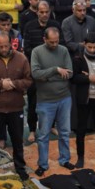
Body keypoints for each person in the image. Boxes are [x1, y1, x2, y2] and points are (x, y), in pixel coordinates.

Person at [0, 33, 33, 180]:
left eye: (6, 45)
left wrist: (12, 84)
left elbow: (28, 81)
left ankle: (20, 167)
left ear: (11, 43)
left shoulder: (21, 59)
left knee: (17, 140)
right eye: (1, 46)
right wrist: (0, 84)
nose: (4, 49)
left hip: (15, 107)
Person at [30, 27, 74, 175]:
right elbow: (36, 74)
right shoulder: (37, 52)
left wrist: (47, 77)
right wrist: (55, 70)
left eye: (57, 42)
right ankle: (43, 164)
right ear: (44, 39)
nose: (55, 45)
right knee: (43, 135)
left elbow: (69, 73)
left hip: (64, 98)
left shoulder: (64, 50)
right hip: (45, 100)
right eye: (51, 42)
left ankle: (65, 159)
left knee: (64, 131)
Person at [71, 33, 95, 168]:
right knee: (81, 129)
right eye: (89, 47)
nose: (92, 50)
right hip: (84, 99)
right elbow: (74, 78)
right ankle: (80, 158)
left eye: (94, 47)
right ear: (84, 45)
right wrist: (88, 78)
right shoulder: (78, 58)